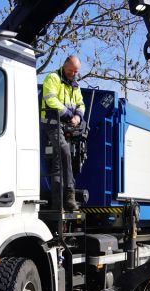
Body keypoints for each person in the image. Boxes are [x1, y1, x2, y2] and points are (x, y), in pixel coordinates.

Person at [41, 56, 86, 211]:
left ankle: (58, 203)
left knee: (60, 163)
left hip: (66, 126)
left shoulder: (75, 85)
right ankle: (69, 196)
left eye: (76, 71)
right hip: (51, 124)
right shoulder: (53, 78)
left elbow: (81, 104)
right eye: (70, 70)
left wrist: (78, 117)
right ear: (64, 65)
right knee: (65, 152)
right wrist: (69, 115)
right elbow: (50, 100)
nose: (73, 74)